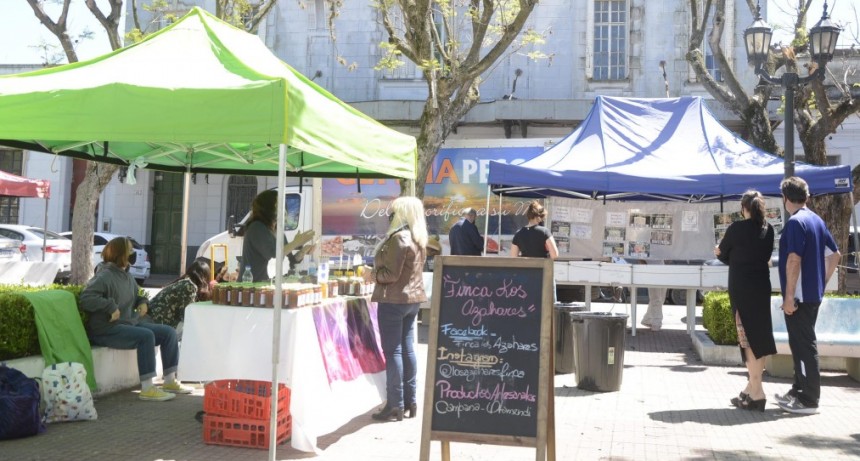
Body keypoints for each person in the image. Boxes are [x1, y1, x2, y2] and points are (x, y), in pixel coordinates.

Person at [79, 237, 191, 401]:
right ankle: (147, 388)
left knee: (168, 333)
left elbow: (135, 295)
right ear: (120, 255)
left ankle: (170, 380)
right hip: (106, 329)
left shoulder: (126, 275)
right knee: (145, 337)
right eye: (129, 251)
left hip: (126, 323)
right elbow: (86, 298)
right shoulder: (104, 275)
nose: (132, 254)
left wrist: (143, 302)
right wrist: (110, 306)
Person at [775, 176, 840, 415]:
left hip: (800, 297)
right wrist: (820, 283)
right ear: (806, 196)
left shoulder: (795, 222)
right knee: (800, 343)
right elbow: (835, 255)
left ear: (785, 198)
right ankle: (798, 390)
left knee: (803, 345)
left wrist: (789, 296)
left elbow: (794, 259)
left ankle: (809, 399)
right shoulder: (816, 220)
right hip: (811, 294)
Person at [363, 196, 428, 422]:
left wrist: (370, 274)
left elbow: (390, 275)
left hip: (394, 301)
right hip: (412, 301)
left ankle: (395, 404)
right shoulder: (419, 238)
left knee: (394, 352)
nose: (389, 214)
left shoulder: (400, 238)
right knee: (407, 350)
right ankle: (409, 401)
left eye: (393, 211)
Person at [714, 190, 776, 412]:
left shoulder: (736, 228)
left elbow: (722, 253)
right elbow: (766, 256)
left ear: (744, 208)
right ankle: (751, 389)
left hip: (741, 289)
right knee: (759, 336)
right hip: (761, 288)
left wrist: (723, 254)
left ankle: (757, 392)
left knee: (746, 338)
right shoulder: (768, 230)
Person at [240, 190, 311, 282]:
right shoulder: (257, 227)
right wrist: (295, 242)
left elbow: (289, 263)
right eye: (278, 205)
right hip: (252, 287)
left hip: (269, 286)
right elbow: (274, 257)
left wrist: (302, 252)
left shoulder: (278, 232)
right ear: (267, 207)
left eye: (284, 205)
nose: (284, 210)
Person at [142, 257, 225, 335]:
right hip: (156, 323)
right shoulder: (189, 286)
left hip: (152, 320)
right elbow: (186, 315)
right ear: (205, 276)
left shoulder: (185, 282)